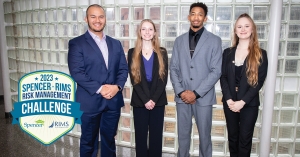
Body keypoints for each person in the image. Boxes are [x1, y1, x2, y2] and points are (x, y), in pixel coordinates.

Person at [67, 4, 128, 157]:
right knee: (89, 142)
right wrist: (102, 89)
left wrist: (117, 87)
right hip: (90, 101)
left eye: (101, 16)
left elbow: (123, 69)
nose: (97, 20)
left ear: (105, 19)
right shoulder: (77, 43)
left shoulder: (116, 43)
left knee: (109, 140)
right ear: (86, 19)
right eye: (93, 16)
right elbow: (77, 73)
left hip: (113, 101)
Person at [170, 2, 222, 157]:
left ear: (205, 18)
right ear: (189, 16)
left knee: (205, 138)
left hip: (204, 98)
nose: (196, 17)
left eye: (200, 14)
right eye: (193, 13)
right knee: (183, 137)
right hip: (183, 98)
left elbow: (216, 71)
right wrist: (180, 92)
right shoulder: (179, 41)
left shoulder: (214, 41)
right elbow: (173, 68)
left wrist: (196, 93)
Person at [220, 13, 268, 157]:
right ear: (235, 30)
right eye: (239, 26)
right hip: (230, 102)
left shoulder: (261, 54)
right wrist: (229, 99)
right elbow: (223, 77)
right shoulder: (227, 53)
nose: (243, 29)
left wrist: (242, 102)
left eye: (246, 26)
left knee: (245, 140)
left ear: (252, 29)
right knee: (233, 138)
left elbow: (259, 82)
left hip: (249, 103)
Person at [127, 19, 168, 157]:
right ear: (139, 32)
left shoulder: (162, 52)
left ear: (155, 32)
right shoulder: (132, 52)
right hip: (140, 99)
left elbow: (163, 79)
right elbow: (134, 80)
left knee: (156, 137)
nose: (147, 32)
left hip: (158, 99)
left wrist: (153, 99)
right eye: (144, 29)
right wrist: (145, 100)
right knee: (141, 137)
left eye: (150, 29)